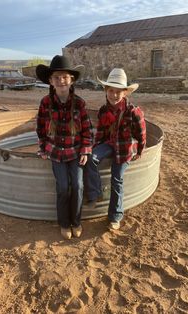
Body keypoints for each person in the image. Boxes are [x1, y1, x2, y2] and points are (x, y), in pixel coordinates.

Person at [36, 55, 93, 239]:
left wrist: (85, 149)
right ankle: (64, 223)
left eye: (65, 77)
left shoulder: (79, 103)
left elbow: (87, 130)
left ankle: (76, 221)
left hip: (75, 152)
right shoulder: (45, 103)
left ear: (71, 80)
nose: (61, 81)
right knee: (62, 187)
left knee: (77, 185)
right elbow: (40, 127)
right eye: (57, 77)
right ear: (51, 82)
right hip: (55, 152)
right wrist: (43, 146)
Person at [85, 68, 146, 230]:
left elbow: (141, 133)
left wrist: (139, 151)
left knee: (116, 179)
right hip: (109, 144)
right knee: (90, 158)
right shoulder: (103, 111)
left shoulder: (133, 111)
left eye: (119, 92)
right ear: (106, 91)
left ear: (125, 93)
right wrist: (94, 148)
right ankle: (95, 194)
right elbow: (100, 132)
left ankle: (115, 216)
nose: (114, 95)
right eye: (111, 91)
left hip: (124, 148)